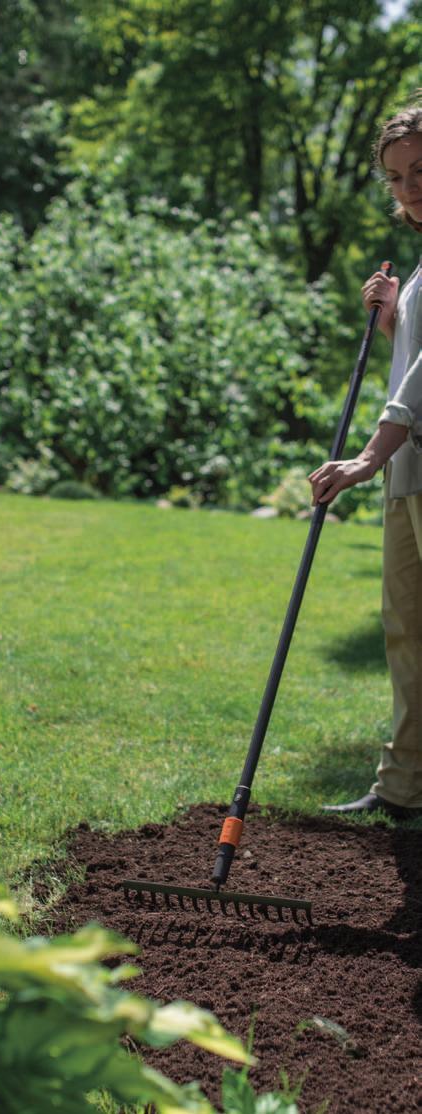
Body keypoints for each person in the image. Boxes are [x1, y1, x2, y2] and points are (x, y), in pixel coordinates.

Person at [309, 94, 422, 820]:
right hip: (413, 475)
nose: (412, 187)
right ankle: (406, 785)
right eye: (399, 177)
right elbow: (410, 365)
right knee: (406, 631)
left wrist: (367, 456)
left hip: (404, 464)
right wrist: (391, 321)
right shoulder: (418, 268)